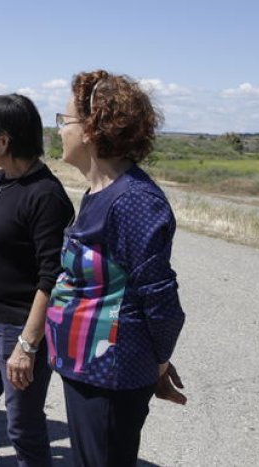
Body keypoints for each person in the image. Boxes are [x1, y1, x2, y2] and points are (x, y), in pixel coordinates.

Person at [46, 70, 187, 467]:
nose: (59, 130)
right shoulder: (99, 191)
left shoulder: (136, 201)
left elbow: (159, 299)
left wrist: (157, 361)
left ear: (92, 129)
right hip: (86, 366)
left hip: (111, 375)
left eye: (65, 120)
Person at [0, 95, 74, 467]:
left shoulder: (47, 196)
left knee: (22, 425)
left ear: (4, 141)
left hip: (19, 329)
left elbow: (51, 278)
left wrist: (27, 344)